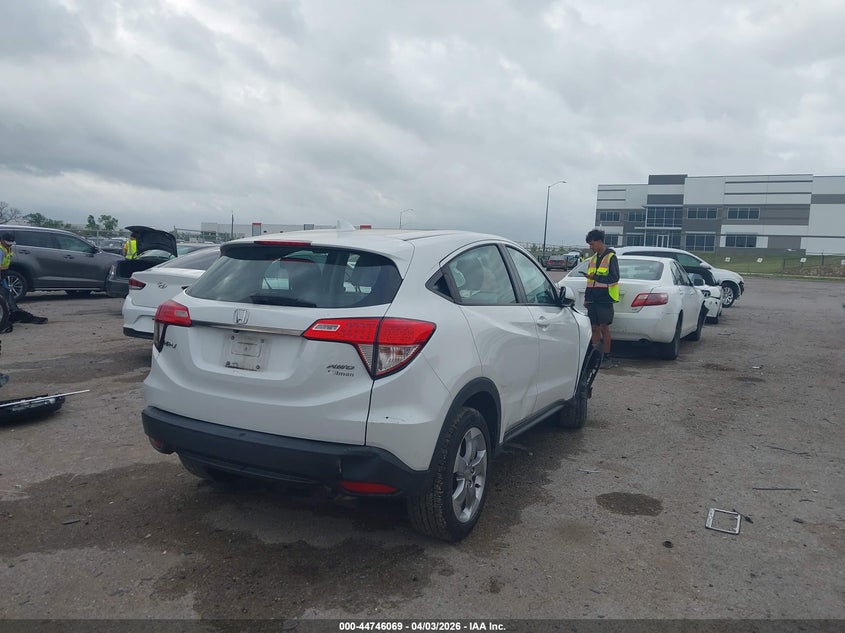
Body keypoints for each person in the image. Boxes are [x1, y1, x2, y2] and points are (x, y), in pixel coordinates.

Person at [583, 228, 620, 368]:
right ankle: (595, 356)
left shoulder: (611, 257)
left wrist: (596, 277)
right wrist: (587, 297)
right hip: (593, 298)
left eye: (592, 244)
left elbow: (614, 277)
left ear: (599, 241)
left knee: (604, 328)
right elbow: (589, 281)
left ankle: (607, 357)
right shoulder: (592, 259)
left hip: (605, 298)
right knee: (594, 327)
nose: (590, 247)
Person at [0, 231, 48, 329]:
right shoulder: (0, 251)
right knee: (5, 295)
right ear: (2, 241)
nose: (10, 245)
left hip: (3, 274)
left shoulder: (7, 249)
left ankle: (11, 313)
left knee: (7, 295)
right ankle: (9, 313)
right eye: (8, 243)